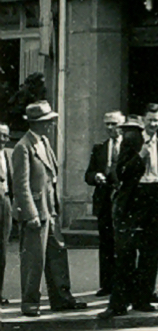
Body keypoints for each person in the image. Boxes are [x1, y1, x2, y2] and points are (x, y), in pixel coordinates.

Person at [98, 106, 158, 319]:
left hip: (156, 201)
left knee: (151, 254)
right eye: (149, 120)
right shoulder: (131, 141)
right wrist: (141, 155)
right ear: (143, 121)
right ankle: (118, 304)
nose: (153, 124)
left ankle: (143, 299)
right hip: (134, 201)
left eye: (156, 120)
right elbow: (121, 173)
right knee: (126, 253)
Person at [12, 100, 87, 317]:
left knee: (57, 255)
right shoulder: (23, 147)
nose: (51, 125)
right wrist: (31, 214)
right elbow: (21, 185)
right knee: (34, 260)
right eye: (47, 121)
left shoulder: (44, 142)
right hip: (37, 213)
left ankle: (62, 299)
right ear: (36, 123)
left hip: (50, 210)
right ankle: (30, 303)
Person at [84, 110, 124, 297]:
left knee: (124, 244)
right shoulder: (99, 148)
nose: (110, 128)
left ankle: (124, 284)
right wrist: (96, 176)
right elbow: (88, 174)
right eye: (107, 124)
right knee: (106, 243)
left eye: (113, 124)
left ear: (122, 125)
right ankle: (107, 284)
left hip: (124, 201)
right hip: (105, 201)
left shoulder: (129, 147)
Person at [0, 124, 11, 306]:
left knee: (2, 249)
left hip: (6, 202)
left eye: (5, 136)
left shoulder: (9, 154)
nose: (2, 140)